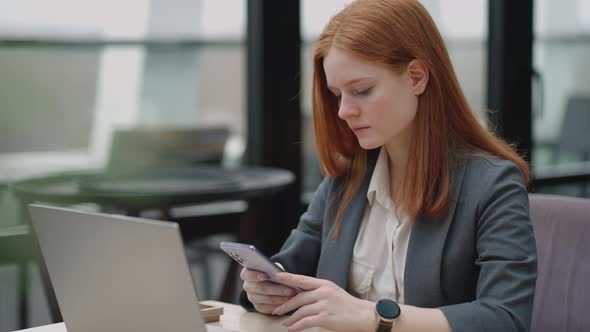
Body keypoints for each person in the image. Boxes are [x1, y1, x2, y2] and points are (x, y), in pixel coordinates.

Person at [239, 0, 537, 331]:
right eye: (338, 94)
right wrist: (264, 287)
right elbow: (291, 264)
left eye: (361, 90)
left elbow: (506, 318)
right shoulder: (345, 182)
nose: (343, 111)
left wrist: (375, 317)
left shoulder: (492, 185)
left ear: (416, 77)